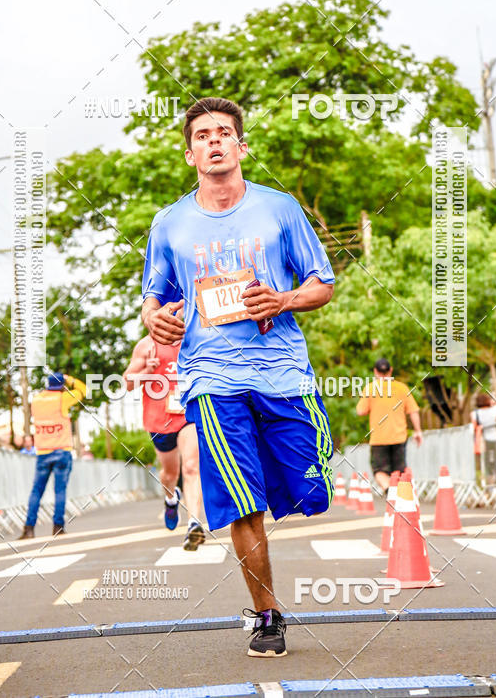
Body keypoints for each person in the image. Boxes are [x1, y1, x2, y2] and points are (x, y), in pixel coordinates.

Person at [141, 97, 335, 658]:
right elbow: (153, 300)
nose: (215, 141)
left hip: (283, 373)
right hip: (211, 378)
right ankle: (267, 615)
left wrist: (285, 298)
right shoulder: (170, 224)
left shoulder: (279, 210)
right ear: (190, 153)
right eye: (203, 135)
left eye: (224, 132)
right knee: (244, 503)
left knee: (305, 490)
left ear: (241, 146)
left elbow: (322, 283)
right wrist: (156, 319)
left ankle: (288, 491)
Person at [123, 336, 205, 550]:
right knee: (170, 474)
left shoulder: (196, 338)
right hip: (159, 420)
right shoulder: (147, 345)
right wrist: (147, 372)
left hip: (188, 414)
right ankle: (171, 498)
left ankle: (194, 524)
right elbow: (127, 383)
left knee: (191, 467)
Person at [20, 372, 86, 538]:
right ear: (62, 386)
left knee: (36, 491)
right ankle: (57, 527)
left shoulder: (36, 400)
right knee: (60, 490)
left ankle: (29, 528)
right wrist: (69, 378)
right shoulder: (63, 398)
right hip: (61, 451)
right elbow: (84, 389)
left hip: (42, 452)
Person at [356, 358, 422, 495]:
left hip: (379, 438)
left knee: (379, 471)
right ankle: (404, 496)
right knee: (400, 471)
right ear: (390, 370)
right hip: (399, 437)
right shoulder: (402, 388)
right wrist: (418, 431)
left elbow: (360, 411)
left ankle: (390, 491)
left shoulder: (370, 388)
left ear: (375, 372)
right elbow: (413, 411)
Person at [470, 393, 496, 484]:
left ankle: (490, 485)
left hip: (484, 441)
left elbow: (474, 427)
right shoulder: (494, 410)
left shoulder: (475, 414)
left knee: (489, 464)